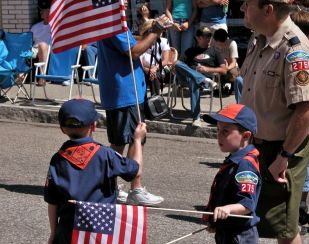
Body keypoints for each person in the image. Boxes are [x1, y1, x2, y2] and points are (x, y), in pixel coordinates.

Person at [239, 0, 309, 244]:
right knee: (240, 217)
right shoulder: (257, 40)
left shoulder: (294, 49)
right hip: (253, 144)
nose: (242, 9)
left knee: (284, 225)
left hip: (283, 149)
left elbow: (308, 109)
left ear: (268, 8)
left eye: (248, 4)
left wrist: (284, 156)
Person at [45, 99, 146, 244]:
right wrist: (136, 141)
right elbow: (135, 170)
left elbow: (52, 201)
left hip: (68, 226)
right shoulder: (106, 154)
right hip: (100, 225)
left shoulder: (58, 158)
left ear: (62, 129)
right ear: (94, 126)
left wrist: (53, 233)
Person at [97, 1, 170, 205]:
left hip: (121, 90)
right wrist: (156, 31)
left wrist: (148, 34)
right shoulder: (114, 23)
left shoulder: (108, 22)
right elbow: (134, 51)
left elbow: (130, 43)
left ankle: (109, 185)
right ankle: (135, 189)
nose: (126, 2)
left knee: (119, 142)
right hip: (125, 91)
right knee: (136, 139)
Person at [194, 104, 261, 244]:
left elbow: (247, 204)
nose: (219, 136)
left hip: (239, 237)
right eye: (217, 131)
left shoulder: (245, 164)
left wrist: (226, 210)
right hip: (229, 232)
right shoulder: (234, 159)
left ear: (245, 136)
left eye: (225, 131)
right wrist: (216, 221)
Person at [289, 10, 309, 231]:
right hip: (302, 123)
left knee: (308, 171)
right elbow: (304, 98)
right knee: (301, 169)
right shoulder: (300, 54)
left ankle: (298, 209)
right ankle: (293, 214)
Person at [175, 27, 227, 127]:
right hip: (186, 79)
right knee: (178, 64)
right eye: (206, 36)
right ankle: (202, 79)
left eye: (210, 36)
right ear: (198, 38)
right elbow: (177, 67)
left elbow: (224, 70)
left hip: (204, 82)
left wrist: (207, 70)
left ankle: (196, 118)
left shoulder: (215, 51)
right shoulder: (190, 51)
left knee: (194, 81)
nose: (209, 38)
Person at [140, 20, 171, 96]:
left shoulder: (164, 41)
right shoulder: (141, 43)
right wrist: (147, 69)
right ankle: (144, 102)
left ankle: (156, 101)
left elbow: (165, 61)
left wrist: (154, 69)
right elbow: (139, 62)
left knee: (153, 76)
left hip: (162, 68)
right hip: (144, 69)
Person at [30, 1, 51, 86]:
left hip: (48, 49)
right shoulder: (35, 27)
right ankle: (20, 75)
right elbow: (29, 40)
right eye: (40, 10)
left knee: (42, 45)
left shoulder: (54, 26)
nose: (40, 12)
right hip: (34, 49)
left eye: (43, 10)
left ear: (49, 11)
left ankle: (42, 77)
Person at [213, 29, 240, 94]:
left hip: (230, 66)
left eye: (222, 44)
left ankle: (233, 86)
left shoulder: (232, 43)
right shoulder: (214, 44)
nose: (220, 46)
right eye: (219, 44)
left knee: (233, 73)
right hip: (220, 65)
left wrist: (226, 68)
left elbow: (234, 62)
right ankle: (219, 87)